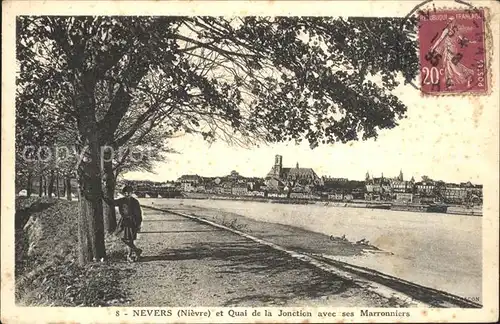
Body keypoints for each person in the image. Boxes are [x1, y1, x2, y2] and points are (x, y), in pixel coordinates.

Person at [114, 185, 143, 262]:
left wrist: (139, 224)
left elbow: (139, 214)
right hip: (123, 221)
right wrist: (102, 196)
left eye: (129, 193)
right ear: (124, 193)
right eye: (126, 193)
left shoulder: (135, 202)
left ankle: (129, 256)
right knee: (122, 237)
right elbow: (111, 202)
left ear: (131, 193)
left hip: (133, 222)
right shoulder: (121, 201)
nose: (127, 194)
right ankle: (136, 250)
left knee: (130, 239)